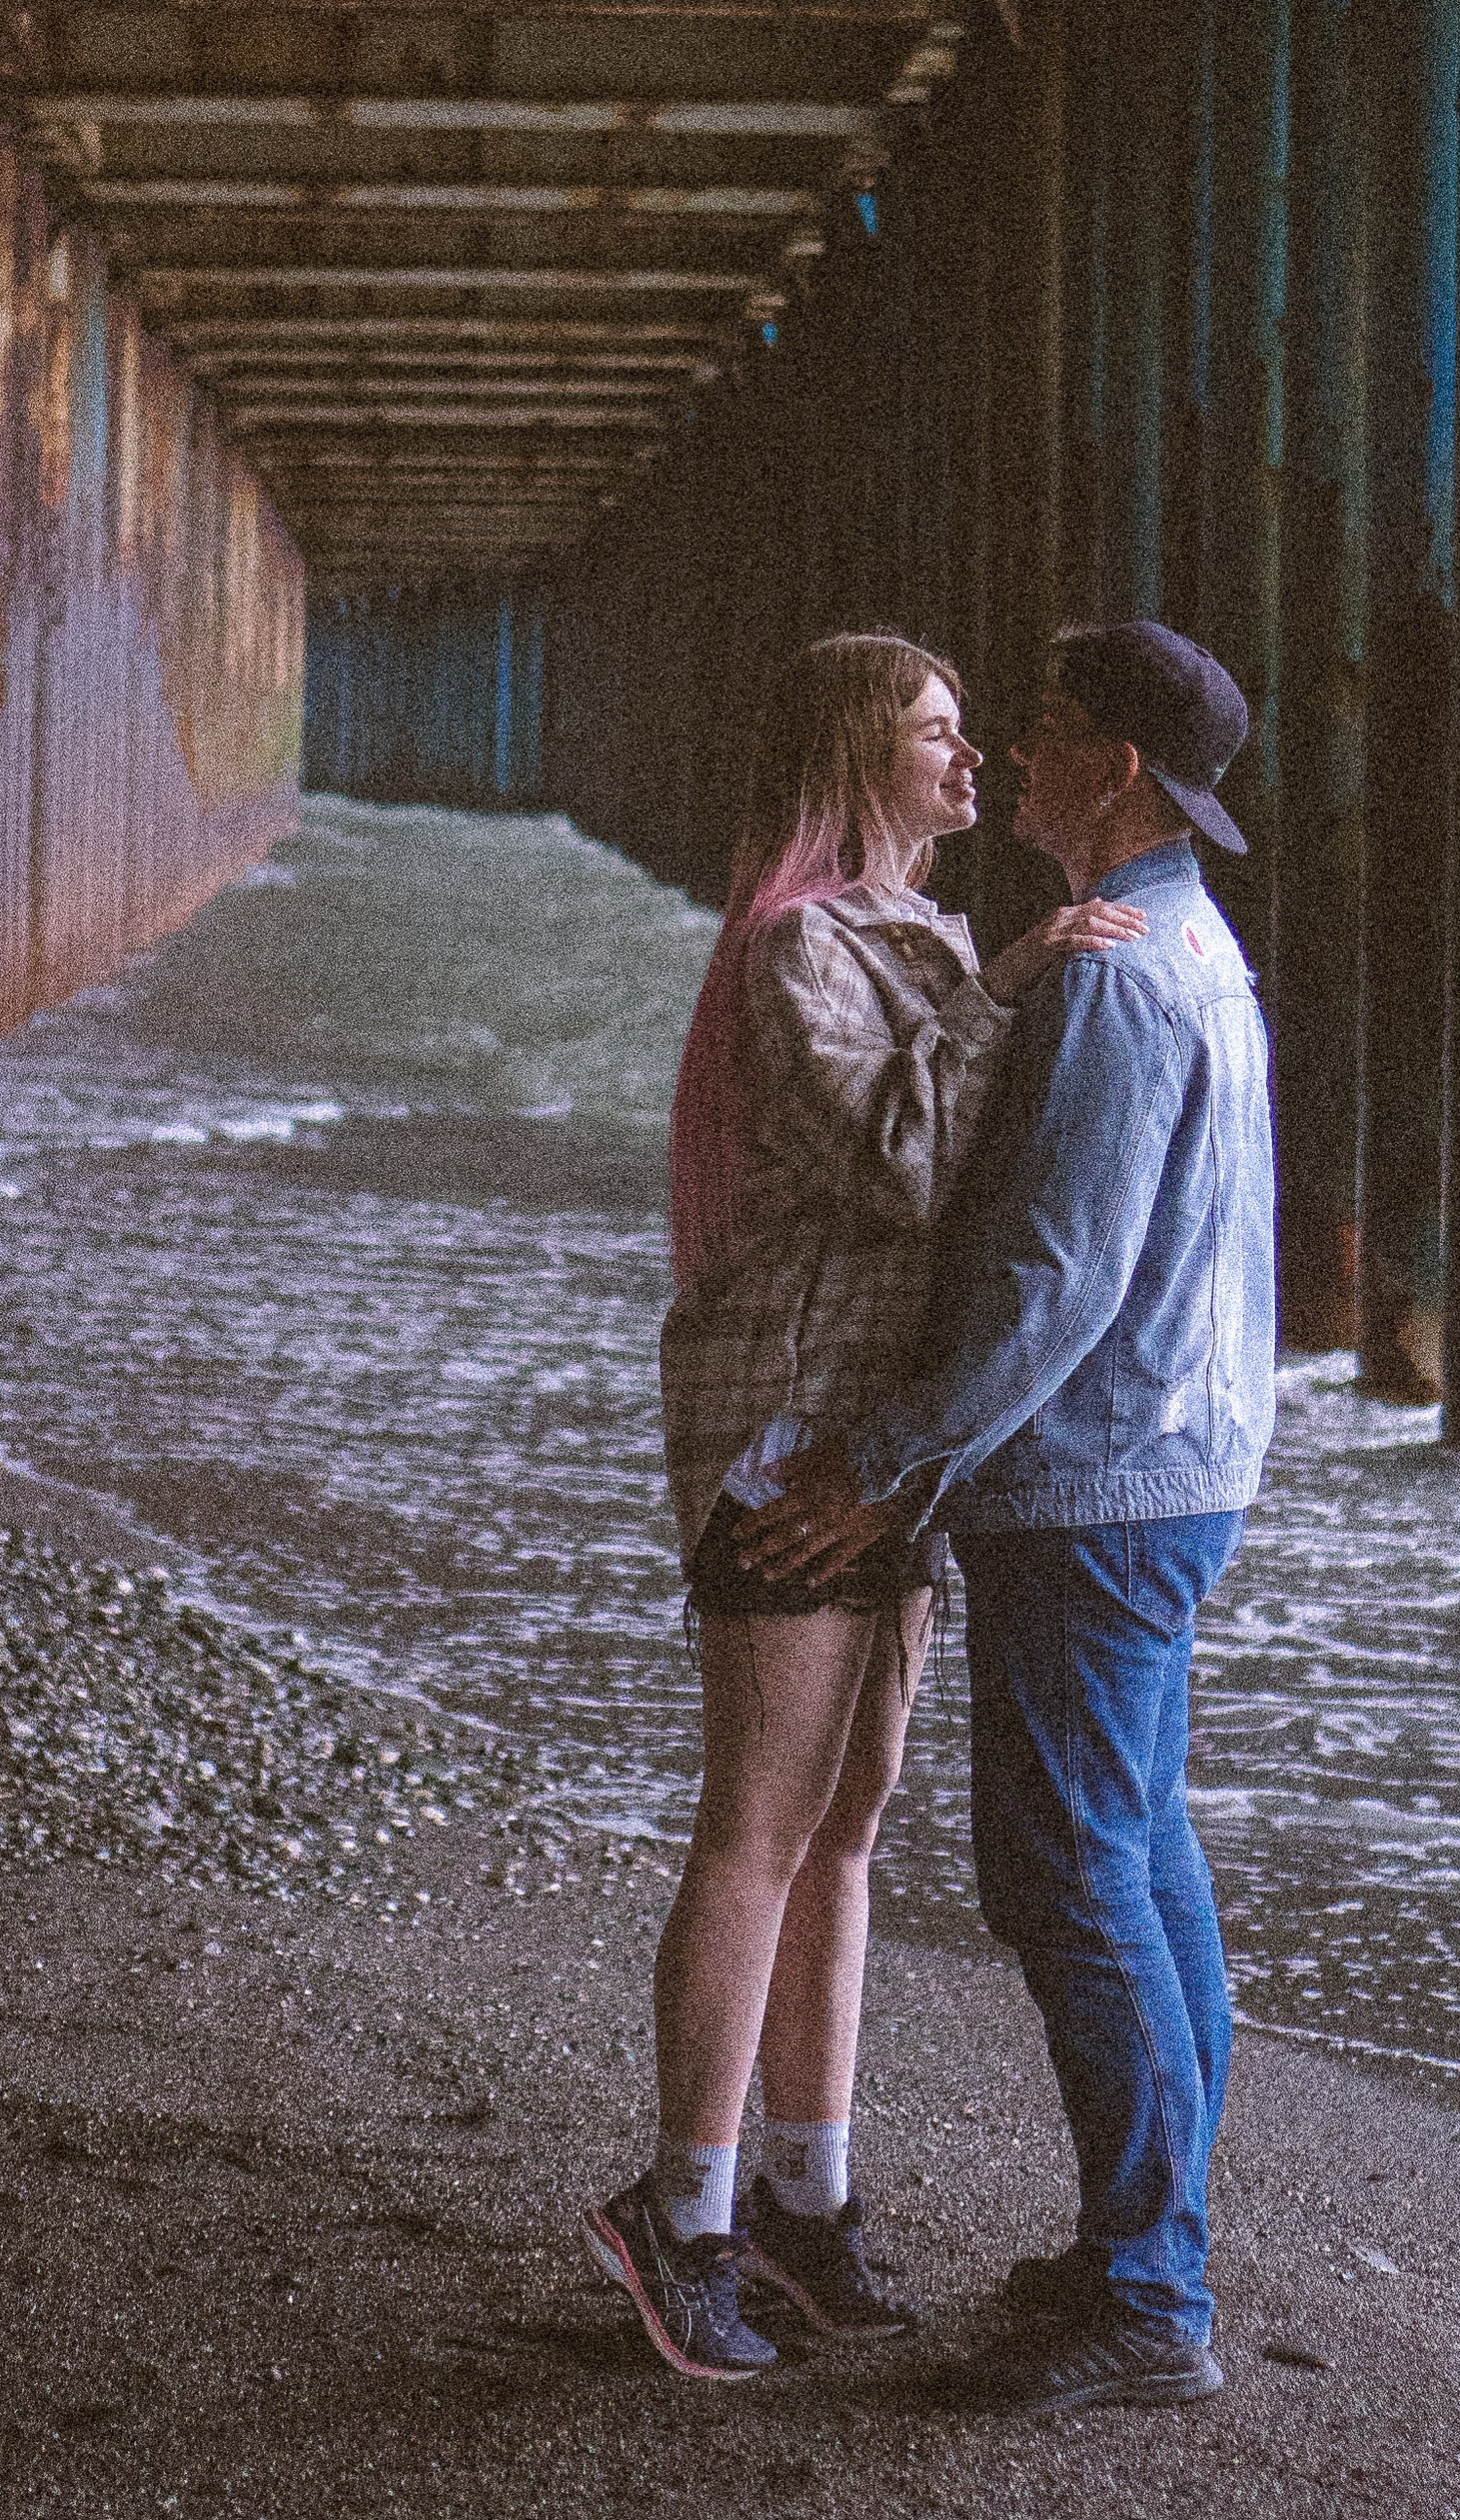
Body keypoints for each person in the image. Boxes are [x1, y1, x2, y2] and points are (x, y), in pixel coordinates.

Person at [582, 630, 1147, 2384]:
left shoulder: (919, 933)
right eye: (936, 735)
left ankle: (807, 2200)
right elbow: (906, 1165)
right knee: (759, 1820)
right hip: (785, 1438)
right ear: (858, 755)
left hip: (889, 1445)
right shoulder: (795, 944)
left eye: (976, 735)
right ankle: (678, 2216)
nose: (970, 765)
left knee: (848, 1826)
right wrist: (1019, 985)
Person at [746, 619, 1275, 2421]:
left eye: (1039, 734)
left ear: (1114, 768)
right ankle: (1161, 2243)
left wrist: (883, 1458)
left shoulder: (1117, 983)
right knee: (1143, 1851)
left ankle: (1152, 2291)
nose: (1012, 762)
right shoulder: (1198, 948)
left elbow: (1055, 1284)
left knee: (1065, 1872)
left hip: (1098, 1488)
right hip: (1186, 1462)